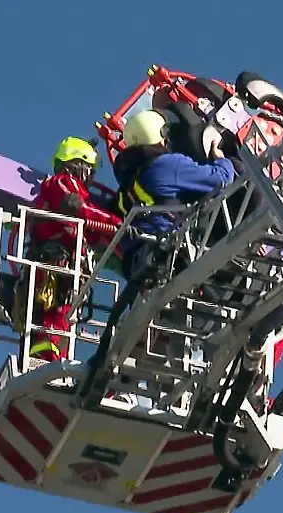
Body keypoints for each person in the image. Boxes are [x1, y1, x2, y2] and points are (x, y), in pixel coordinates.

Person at [22, 136, 123, 362]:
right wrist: (116, 222)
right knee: (58, 308)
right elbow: (78, 209)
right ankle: (47, 355)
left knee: (65, 310)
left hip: (67, 262)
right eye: (91, 170)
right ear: (79, 165)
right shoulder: (62, 182)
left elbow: (92, 229)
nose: (93, 176)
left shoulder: (71, 189)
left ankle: (55, 356)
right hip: (55, 259)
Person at [112, 108, 236, 282]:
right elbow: (222, 179)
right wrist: (222, 159)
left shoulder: (125, 189)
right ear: (160, 135)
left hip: (138, 263)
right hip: (171, 251)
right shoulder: (167, 165)